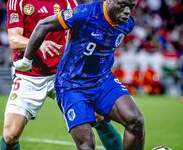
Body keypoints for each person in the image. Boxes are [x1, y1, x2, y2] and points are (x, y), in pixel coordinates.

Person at [13, 0, 145, 150]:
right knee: (87, 146)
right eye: (122, 5)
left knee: (136, 121)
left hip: (103, 80)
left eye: (131, 7)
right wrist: (27, 60)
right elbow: (43, 25)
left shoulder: (127, 24)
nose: (127, 11)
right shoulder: (85, 13)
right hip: (72, 85)